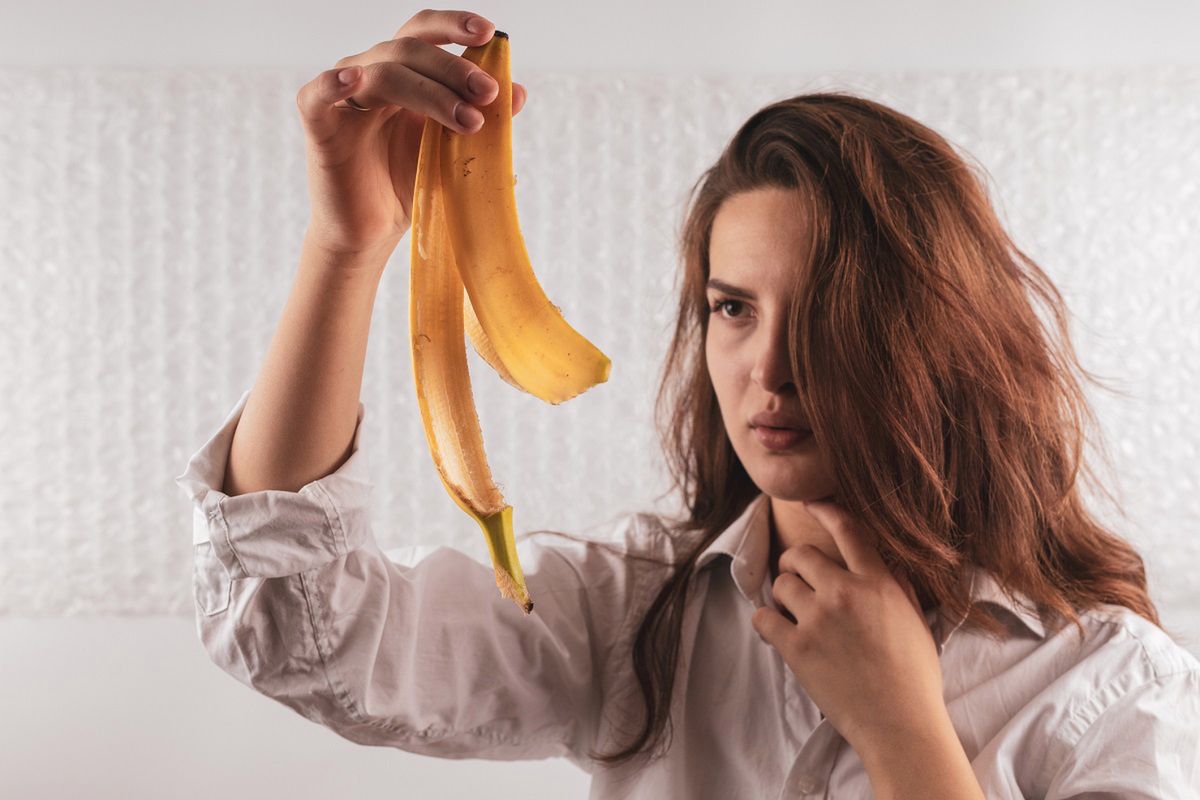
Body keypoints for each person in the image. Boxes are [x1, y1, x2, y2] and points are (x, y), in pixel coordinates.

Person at [175, 9, 1200, 798]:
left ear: (944, 338)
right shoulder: (634, 611)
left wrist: (905, 734)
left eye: (829, 313)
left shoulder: (1109, 678)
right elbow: (294, 624)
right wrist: (346, 248)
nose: (772, 366)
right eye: (733, 308)